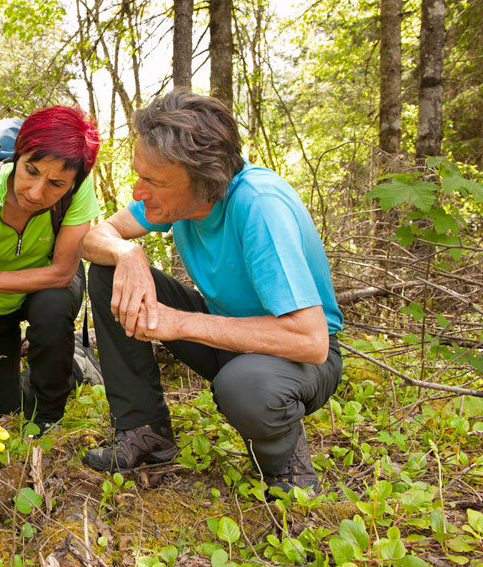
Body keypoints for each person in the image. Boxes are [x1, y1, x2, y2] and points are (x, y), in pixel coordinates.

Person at [79, 90, 343, 496]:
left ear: (203, 179)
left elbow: (311, 341)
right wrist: (126, 252)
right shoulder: (178, 203)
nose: (137, 191)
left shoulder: (259, 206)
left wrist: (181, 323)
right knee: (106, 272)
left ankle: (288, 470)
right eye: (138, 174)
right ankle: (144, 430)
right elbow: (94, 239)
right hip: (230, 334)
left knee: (247, 385)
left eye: (152, 181)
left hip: (298, 360)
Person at [0, 106, 100, 432]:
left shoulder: (78, 193)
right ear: (18, 155)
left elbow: (61, 273)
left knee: (52, 308)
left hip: (46, 284)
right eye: (31, 171)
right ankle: (71, 363)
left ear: (73, 182)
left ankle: (49, 412)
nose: (36, 193)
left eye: (56, 183)